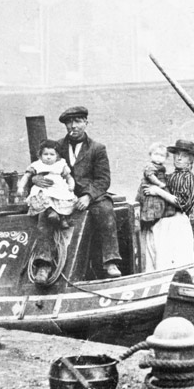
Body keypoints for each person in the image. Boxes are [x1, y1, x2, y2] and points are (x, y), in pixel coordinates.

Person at [29, 106, 122, 284]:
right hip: (60, 194)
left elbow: (103, 180)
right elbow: (40, 166)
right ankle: (44, 265)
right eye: (69, 122)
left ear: (86, 123)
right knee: (44, 213)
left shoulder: (98, 148)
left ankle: (110, 261)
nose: (73, 126)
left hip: (89, 196)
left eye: (78, 121)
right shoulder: (56, 147)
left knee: (105, 210)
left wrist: (88, 196)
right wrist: (35, 179)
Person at [141, 139, 194, 271]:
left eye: (184, 156)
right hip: (158, 223)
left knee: (174, 265)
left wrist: (158, 191)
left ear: (190, 160)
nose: (179, 158)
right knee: (154, 263)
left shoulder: (193, 179)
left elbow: (184, 204)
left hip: (176, 224)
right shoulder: (166, 177)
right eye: (177, 154)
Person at [17, 139, 77, 230]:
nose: (48, 157)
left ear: (57, 156)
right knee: (44, 198)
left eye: (52, 154)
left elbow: (69, 177)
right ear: (40, 155)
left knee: (63, 199)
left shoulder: (61, 164)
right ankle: (50, 213)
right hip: (44, 189)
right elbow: (26, 176)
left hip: (58, 188)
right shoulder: (37, 165)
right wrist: (21, 187)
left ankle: (62, 218)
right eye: (45, 154)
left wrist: (71, 185)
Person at [135, 142, 172, 227]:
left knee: (160, 203)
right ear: (150, 154)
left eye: (162, 156)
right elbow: (151, 176)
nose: (158, 158)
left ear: (166, 158)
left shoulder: (161, 167)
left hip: (158, 190)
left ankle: (159, 218)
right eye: (156, 154)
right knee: (150, 205)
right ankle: (149, 221)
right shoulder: (150, 166)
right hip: (151, 188)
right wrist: (159, 183)